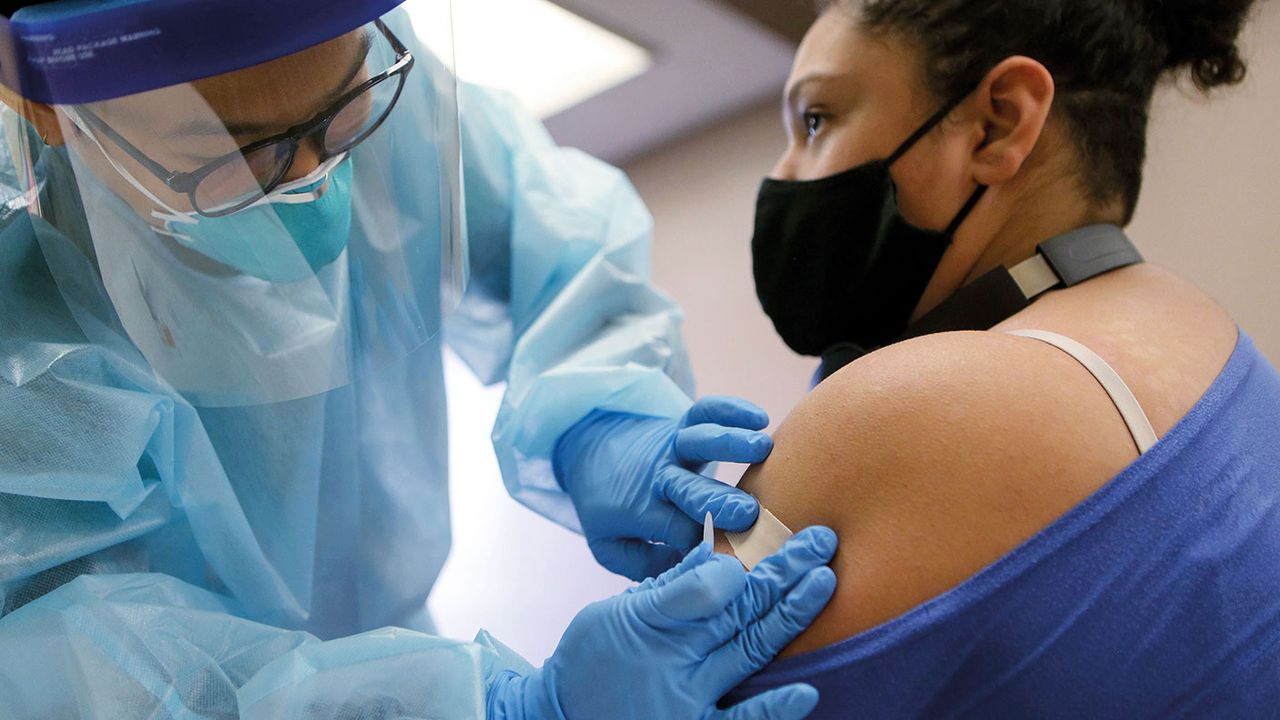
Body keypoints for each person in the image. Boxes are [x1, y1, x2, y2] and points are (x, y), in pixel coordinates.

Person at [0, 1, 840, 717]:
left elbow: (553, 240)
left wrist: (602, 419)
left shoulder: (368, 85)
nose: (315, 175)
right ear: (41, 107)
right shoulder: (19, 328)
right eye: (241, 151)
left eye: (341, 114)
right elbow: (88, 668)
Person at [720, 0, 1280, 716]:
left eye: (817, 120)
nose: (787, 171)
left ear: (999, 122)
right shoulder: (1213, 341)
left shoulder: (909, 409)